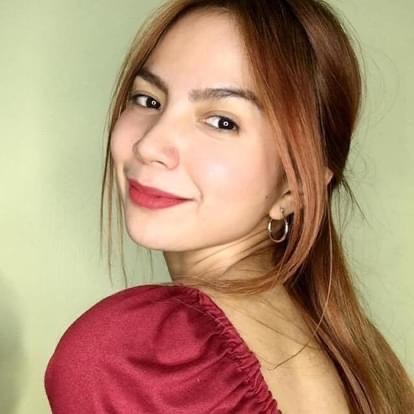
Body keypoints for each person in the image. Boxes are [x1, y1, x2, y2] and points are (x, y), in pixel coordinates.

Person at [44, 0, 414, 413]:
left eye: (222, 121)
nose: (150, 145)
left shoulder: (136, 356)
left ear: (295, 189)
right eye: (148, 100)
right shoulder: (353, 365)